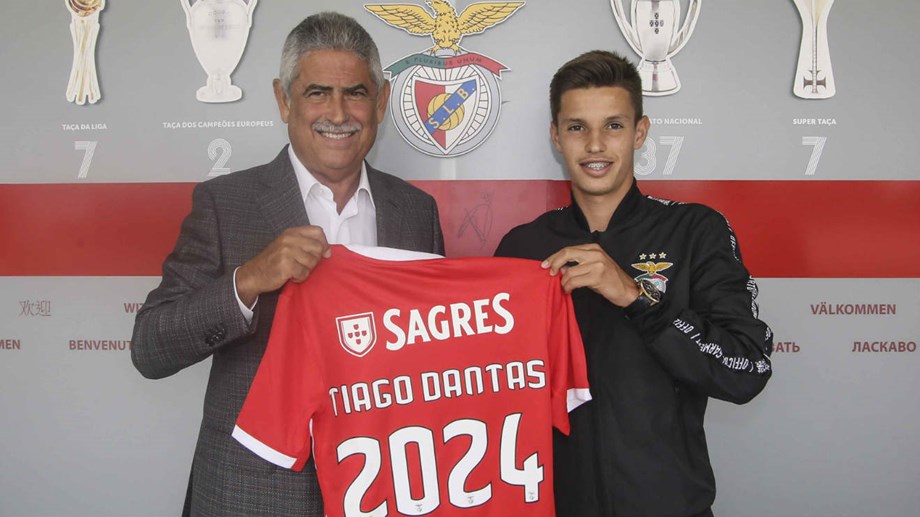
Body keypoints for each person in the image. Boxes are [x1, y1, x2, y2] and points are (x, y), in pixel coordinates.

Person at [131, 12, 443, 517]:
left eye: (356, 93)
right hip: (253, 497)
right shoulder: (225, 204)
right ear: (283, 100)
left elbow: (435, 355)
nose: (338, 113)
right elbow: (150, 349)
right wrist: (248, 281)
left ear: (381, 102)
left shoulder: (415, 211)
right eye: (317, 92)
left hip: (382, 489)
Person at [494, 50, 773, 517]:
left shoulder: (694, 230)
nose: (595, 145)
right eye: (577, 127)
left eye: (614, 126)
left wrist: (635, 297)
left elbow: (746, 369)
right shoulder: (522, 246)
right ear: (556, 137)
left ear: (640, 132)